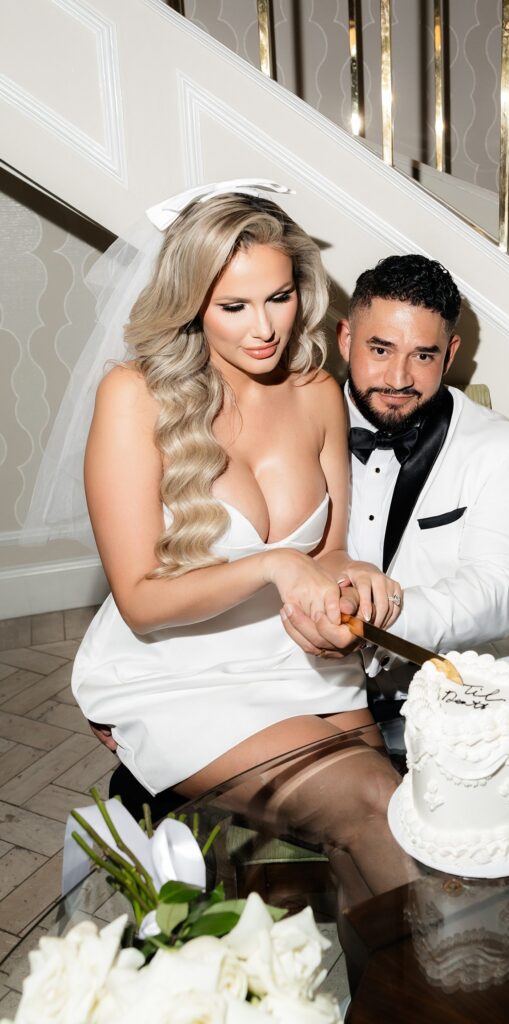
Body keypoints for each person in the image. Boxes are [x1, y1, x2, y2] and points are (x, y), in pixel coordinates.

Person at [51, 183, 411, 817]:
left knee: (404, 818)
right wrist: (272, 564)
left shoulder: (318, 390)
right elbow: (138, 602)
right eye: (234, 306)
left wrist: (351, 576)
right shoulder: (134, 396)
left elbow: (326, 551)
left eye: (279, 297)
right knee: (372, 803)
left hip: (302, 655)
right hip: (179, 672)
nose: (266, 328)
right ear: (192, 305)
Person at [281, 254, 509, 748]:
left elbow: (501, 591)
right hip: (309, 692)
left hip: (464, 694)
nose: (399, 378)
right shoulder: (284, 426)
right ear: (345, 339)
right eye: (380, 350)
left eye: (423, 356)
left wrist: (368, 620)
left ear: (450, 355)